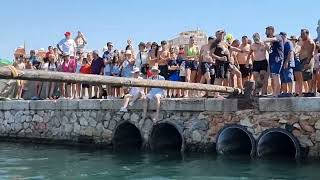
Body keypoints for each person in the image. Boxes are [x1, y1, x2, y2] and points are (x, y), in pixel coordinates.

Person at [264, 26, 284, 97]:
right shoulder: (272, 42)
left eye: (267, 30)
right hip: (272, 60)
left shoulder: (278, 36)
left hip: (277, 59)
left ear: (271, 30)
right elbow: (270, 51)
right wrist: (267, 47)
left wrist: (264, 40)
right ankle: (275, 92)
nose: (266, 32)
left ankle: (276, 93)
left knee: (276, 76)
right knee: (274, 76)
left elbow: (274, 39)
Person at [211, 30, 230, 98]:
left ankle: (219, 93)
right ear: (216, 35)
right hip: (219, 62)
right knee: (218, 78)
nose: (221, 36)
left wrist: (241, 51)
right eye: (219, 34)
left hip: (226, 63)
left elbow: (231, 48)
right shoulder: (215, 43)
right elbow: (211, 54)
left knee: (223, 78)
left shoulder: (225, 43)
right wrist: (219, 58)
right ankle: (216, 94)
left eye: (222, 34)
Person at [300, 29, 316, 95]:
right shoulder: (304, 41)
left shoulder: (310, 42)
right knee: (305, 76)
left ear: (307, 34)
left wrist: (307, 62)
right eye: (301, 34)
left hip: (308, 60)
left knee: (309, 75)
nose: (301, 35)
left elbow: (311, 53)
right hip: (304, 60)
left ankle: (310, 91)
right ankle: (308, 91)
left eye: (303, 34)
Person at [279, 32, 295, 96]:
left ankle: (290, 92)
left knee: (289, 77)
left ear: (284, 36)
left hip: (288, 62)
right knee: (283, 78)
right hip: (282, 63)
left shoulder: (288, 42)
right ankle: (285, 92)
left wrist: (287, 62)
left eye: (281, 36)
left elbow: (290, 52)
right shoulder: (281, 43)